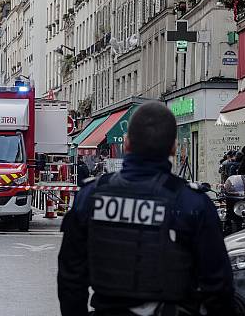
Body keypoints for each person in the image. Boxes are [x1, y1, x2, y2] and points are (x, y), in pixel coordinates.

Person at [58, 101, 234, 316]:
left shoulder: (90, 197)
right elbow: (218, 286)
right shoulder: (193, 203)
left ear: (127, 143)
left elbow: (70, 278)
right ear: (173, 148)